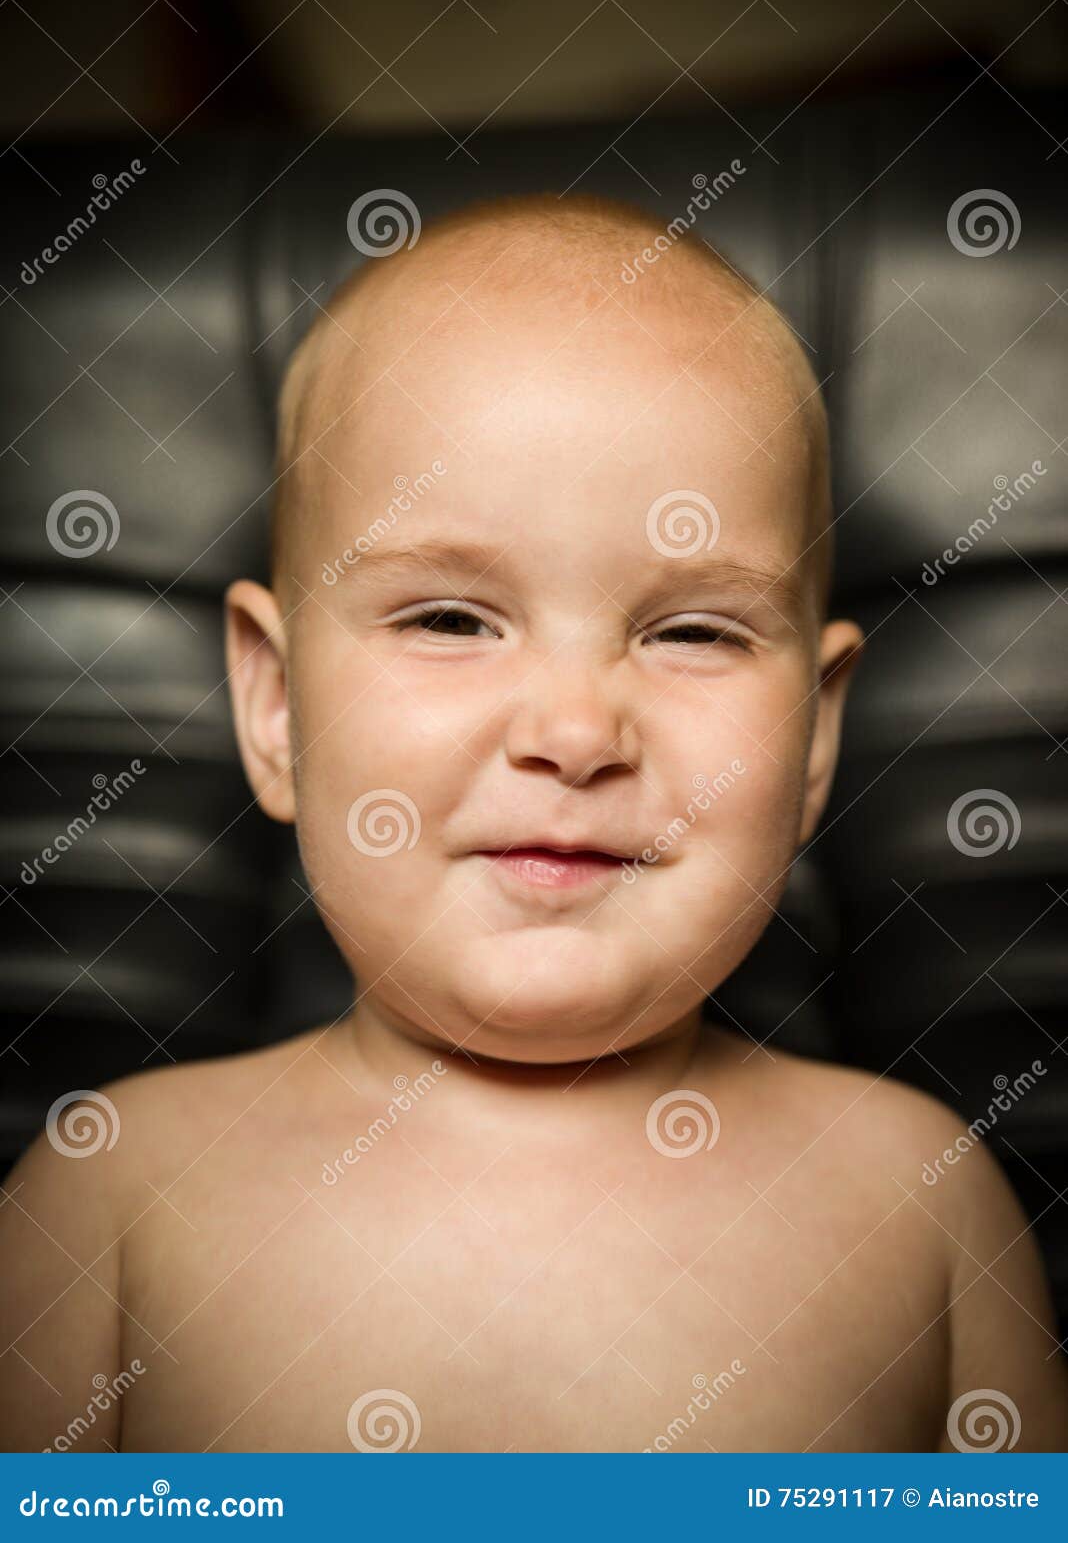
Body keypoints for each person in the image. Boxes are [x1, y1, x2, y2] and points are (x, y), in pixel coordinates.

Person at [2, 194, 1065, 1453]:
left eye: (692, 632)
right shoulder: (111, 1198)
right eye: (450, 618)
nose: (575, 731)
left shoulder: (921, 1200)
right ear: (278, 704)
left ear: (817, 736)